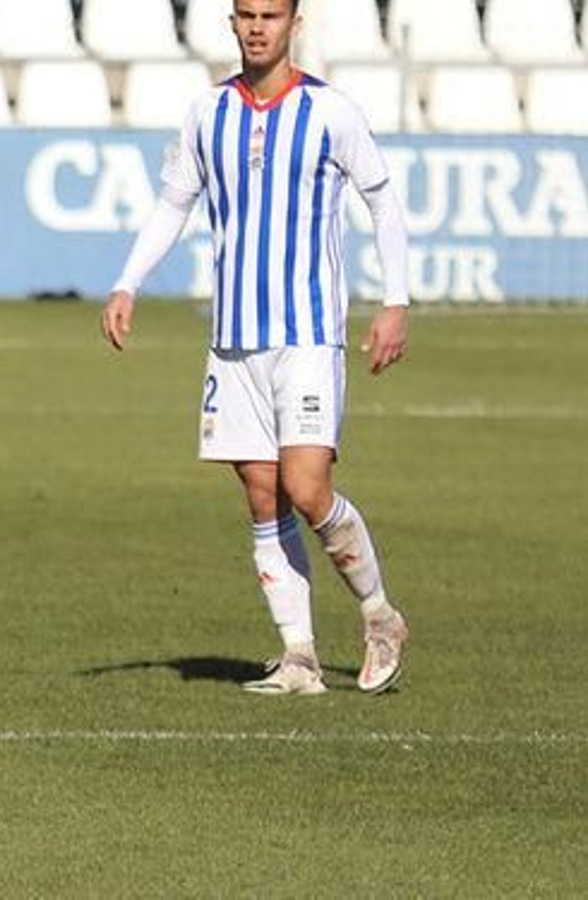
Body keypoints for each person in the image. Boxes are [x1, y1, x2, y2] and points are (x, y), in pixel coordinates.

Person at [100, 0, 410, 696]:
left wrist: (396, 302)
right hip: (234, 335)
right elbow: (174, 203)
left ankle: (380, 614)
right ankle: (298, 658)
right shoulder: (208, 112)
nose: (258, 26)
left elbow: (383, 201)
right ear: (232, 23)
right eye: (246, 14)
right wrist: (128, 282)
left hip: (306, 331)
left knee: (306, 488)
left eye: (271, 14)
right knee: (262, 495)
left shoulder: (332, 112)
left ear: (294, 22)